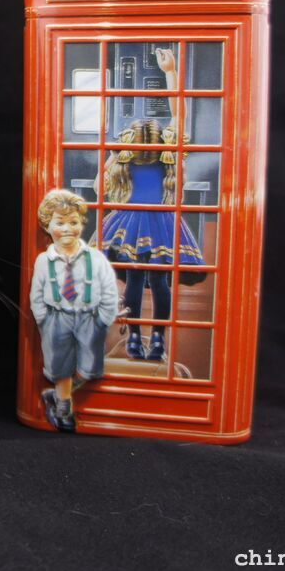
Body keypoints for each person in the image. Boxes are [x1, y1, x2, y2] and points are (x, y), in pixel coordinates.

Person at [100, 47, 204, 361]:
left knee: (133, 279)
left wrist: (109, 161)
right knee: (159, 281)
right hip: (162, 221)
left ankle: (134, 338)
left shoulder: (122, 158)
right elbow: (179, 115)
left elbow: (97, 188)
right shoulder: (167, 154)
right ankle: (158, 339)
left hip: (129, 222)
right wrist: (170, 72)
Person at [30, 188, 119, 432]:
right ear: (47, 226)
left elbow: (109, 289)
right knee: (59, 366)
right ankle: (63, 406)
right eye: (60, 223)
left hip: (89, 317)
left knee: (90, 368)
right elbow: (37, 293)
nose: (68, 229)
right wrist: (43, 319)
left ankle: (60, 394)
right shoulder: (44, 261)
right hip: (57, 317)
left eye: (74, 222)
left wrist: (103, 319)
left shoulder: (95, 258)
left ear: (82, 224)